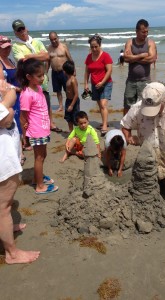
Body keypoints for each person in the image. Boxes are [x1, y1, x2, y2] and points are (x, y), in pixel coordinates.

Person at [0, 79, 40, 264]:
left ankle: (6, 228)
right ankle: (11, 253)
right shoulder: (7, 95)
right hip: (2, 159)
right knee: (3, 207)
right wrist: (8, 101)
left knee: (5, 205)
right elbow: (5, 118)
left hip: (7, 154)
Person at [16, 58, 59, 194]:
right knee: (39, 157)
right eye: (39, 76)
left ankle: (36, 178)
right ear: (29, 77)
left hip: (43, 128)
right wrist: (25, 137)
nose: (42, 78)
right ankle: (40, 186)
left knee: (43, 155)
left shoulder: (38, 88)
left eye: (43, 75)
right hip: (36, 131)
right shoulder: (26, 94)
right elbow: (23, 117)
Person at [11, 19, 61, 133]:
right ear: (15, 33)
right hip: (29, 82)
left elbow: (47, 56)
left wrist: (30, 56)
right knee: (30, 107)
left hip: (42, 80)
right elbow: (23, 62)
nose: (22, 31)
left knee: (46, 102)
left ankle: (50, 123)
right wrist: (37, 56)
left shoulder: (37, 42)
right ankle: (33, 127)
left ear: (26, 28)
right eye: (18, 30)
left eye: (22, 28)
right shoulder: (16, 46)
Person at [0, 35, 26, 165]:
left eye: (9, 47)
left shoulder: (10, 60)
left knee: (20, 124)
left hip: (18, 97)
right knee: (12, 124)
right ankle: (17, 155)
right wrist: (17, 89)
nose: (7, 50)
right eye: (4, 48)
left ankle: (20, 151)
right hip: (9, 99)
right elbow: (2, 83)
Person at [123, 19, 157, 115]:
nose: (145, 34)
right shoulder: (130, 42)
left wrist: (133, 57)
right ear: (137, 31)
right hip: (131, 80)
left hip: (145, 80)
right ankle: (126, 126)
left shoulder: (150, 43)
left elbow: (151, 59)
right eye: (143, 32)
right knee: (127, 105)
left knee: (146, 104)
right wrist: (142, 55)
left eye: (147, 31)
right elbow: (125, 58)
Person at [84, 34, 113, 136]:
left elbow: (109, 70)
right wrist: (86, 84)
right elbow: (87, 72)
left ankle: (104, 125)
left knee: (103, 104)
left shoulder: (105, 56)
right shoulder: (89, 57)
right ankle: (103, 122)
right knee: (100, 105)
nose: (94, 49)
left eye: (96, 46)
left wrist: (102, 82)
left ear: (100, 45)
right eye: (92, 47)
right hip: (95, 84)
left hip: (106, 83)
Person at [48, 31, 74, 112]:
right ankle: (60, 106)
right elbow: (48, 61)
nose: (54, 41)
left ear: (58, 37)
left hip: (64, 72)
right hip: (54, 72)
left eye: (55, 39)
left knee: (68, 89)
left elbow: (70, 59)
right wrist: (45, 73)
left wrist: (73, 72)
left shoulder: (63, 46)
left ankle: (69, 104)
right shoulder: (49, 48)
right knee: (58, 91)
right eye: (51, 40)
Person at [62, 60, 80, 132]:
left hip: (74, 101)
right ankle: (71, 132)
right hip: (68, 100)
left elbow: (76, 94)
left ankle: (79, 132)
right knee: (68, 118)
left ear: (66, 71)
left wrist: (72, 105)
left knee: (75, 118)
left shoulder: (73, 80)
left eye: (63, 70)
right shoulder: (68, 78)